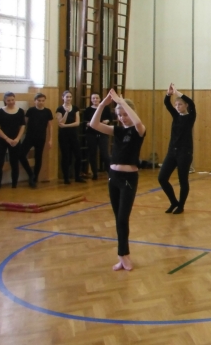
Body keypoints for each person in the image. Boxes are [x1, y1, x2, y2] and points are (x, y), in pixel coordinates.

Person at [90, 89, 146, 271]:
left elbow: (138, 122)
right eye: (119, 115)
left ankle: (124, 255)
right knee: (118, 219)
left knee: (123, 218)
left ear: (131, 112)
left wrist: (121, 102)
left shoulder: (139, 131)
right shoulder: (118, 131)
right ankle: (122, 256)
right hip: (113, 178)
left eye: (125, 114)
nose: (122, 118)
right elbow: (94, 124)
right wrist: (102, 104)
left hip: (128, 179)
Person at [158, 83, 196, 214]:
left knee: (183, 180)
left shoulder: (190, 117)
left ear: (186, 106)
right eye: (176, 105)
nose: (178, 107)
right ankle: (174, 202)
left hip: (184, 153)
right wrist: (169, 94)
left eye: (180, 104)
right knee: (162, 178)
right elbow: (167, 103)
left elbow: (192, 103)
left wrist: (177, 92)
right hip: (172, 152)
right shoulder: (176, 116)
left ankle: (181, 205)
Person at [0, 92, 25, 190]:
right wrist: (7, 139)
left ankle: (14, 184)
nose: (11, 102)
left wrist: (17, 139)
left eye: (12, 100)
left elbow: (22, 126)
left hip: (15, 140)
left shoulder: (20, 111)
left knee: (14, 162)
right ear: (5, 101)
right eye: (8, 100)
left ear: (15, 100)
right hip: (2, 140)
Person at [18, 93, 53, 188]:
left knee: (38, 157)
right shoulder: (31, 110)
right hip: (29, 137)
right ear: (35, 101)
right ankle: (31, 174)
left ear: (45, 101)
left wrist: (50, 139)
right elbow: (24, 123)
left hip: (41, 138)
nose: (41, 102)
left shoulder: (47, 111)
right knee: (21, 155)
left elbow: (50, 126)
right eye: (39, 100)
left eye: (43, 101)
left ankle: (34, 179)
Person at [56, 90, 85, 184]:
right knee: (66, 156)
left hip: (74, 135)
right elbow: (61, 123)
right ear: (63, 98)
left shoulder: (75, 108)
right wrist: (66, 113)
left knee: (78, 156)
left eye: (70, 97)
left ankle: (77, 177)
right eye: (67, 97)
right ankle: (66, 178)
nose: (69, 98)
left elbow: (77, 123)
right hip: (63, 136)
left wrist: (66, 126)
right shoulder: (59, 109)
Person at [83, 93, 111, 180]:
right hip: (91, 134)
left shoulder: (105, 108)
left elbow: (109, 118)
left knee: (105, 154)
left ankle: (110, 173)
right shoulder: (88, 110)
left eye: (97, 98)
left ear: (100, 99)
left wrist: (106, 121)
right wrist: (90, 124)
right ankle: (95, 174)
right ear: (91, 100)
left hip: (103, 132)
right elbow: (85, 121)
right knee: (92, 154)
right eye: (93, 98)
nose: (95, 100)